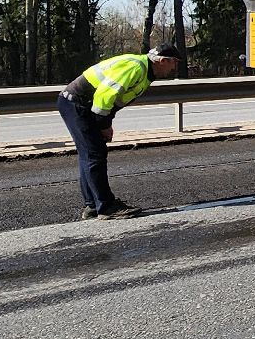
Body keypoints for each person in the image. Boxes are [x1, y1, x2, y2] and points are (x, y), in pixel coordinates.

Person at [57, 45, 183, 219]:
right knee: (94, 153)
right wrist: (104, 125)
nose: (173, 68)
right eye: (174, 63)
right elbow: (104, 96)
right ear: (162, 61)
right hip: (77, 103)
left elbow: (115, 100)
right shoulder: (136, 68)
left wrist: (106, 123)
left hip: (82, 105)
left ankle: (93, 205)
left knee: (90, 153)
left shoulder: (145, 71)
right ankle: (106, 207)